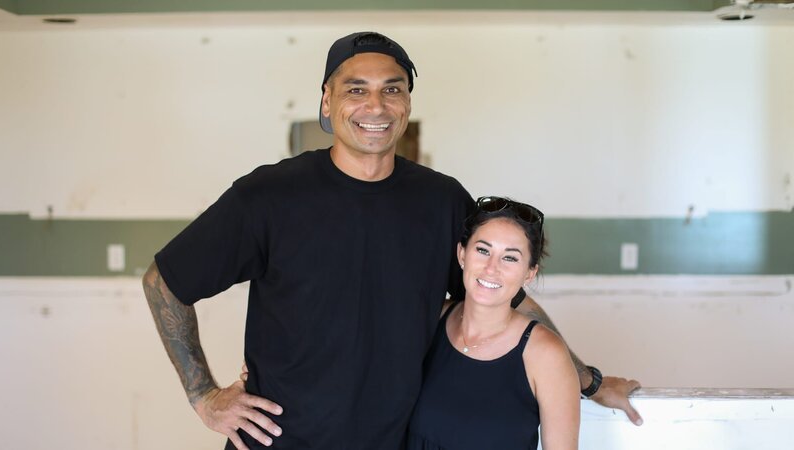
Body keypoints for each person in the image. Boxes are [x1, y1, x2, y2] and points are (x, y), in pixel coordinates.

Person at [143, 31, 641, 450]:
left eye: (392, 89)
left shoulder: (441, 200)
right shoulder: (268, 196)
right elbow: (164, 281)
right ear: (327, 100)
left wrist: (588, 381)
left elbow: (504, 301)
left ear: (407, 103)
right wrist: (203, 395)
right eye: (355, 89)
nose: (375, 106)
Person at [407, 197, 579, 450]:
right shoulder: (430, 320)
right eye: (483, 250)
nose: (491, 268)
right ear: (462, 254)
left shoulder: (545, 354)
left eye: (510, 258)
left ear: (529, 273)